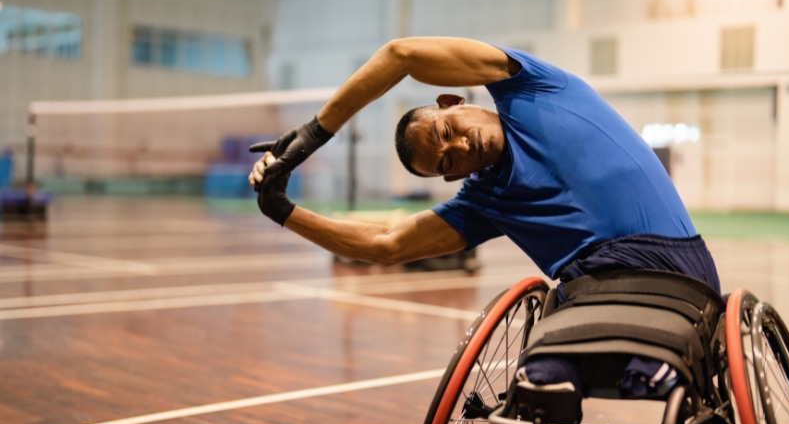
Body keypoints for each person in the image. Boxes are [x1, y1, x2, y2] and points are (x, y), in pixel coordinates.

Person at [248, 37, 720, 398]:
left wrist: (313, 135)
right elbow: (387, 243)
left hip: (670, 270)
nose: (459, 147)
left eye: (448, 132)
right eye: (446, 163)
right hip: (589, 292)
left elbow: (402, 54)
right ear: (451, 179)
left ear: (452, 102)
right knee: (538, 388)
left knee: (656, 375)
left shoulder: (533, 87)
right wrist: (283, 211)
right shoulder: (484, 202)